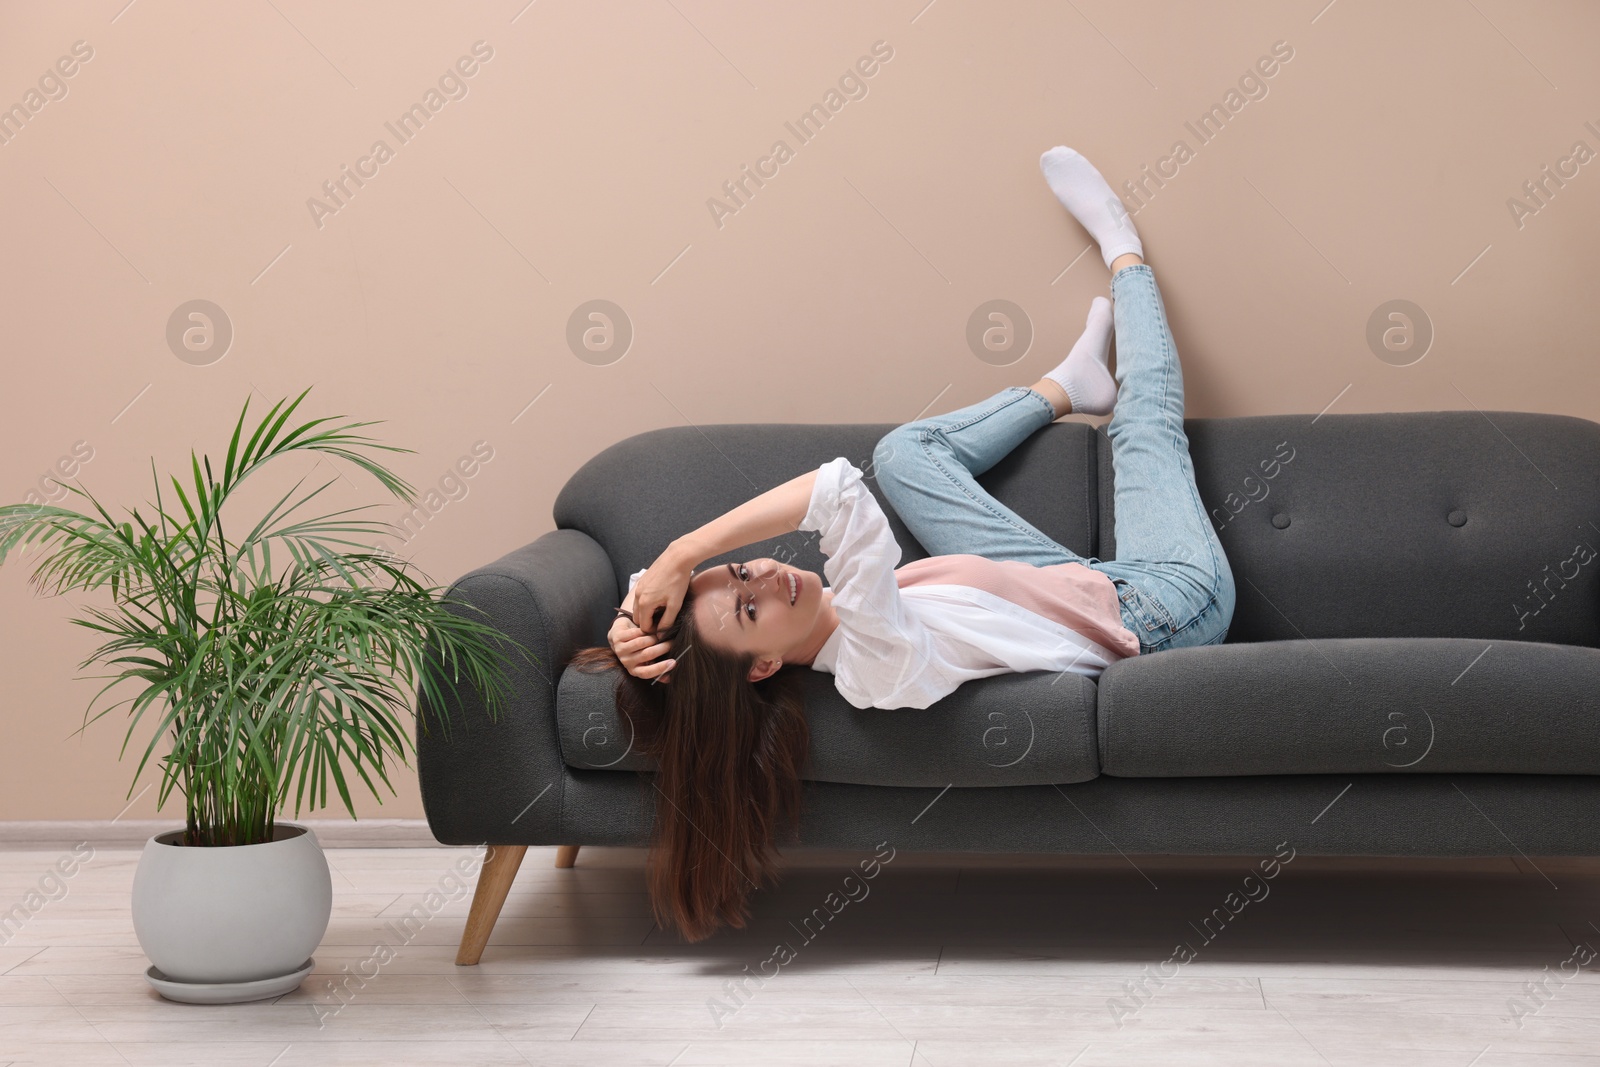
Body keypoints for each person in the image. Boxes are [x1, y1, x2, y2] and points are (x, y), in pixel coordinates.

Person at [568, 146, 1236, 942]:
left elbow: (699, 591)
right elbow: (836, 494)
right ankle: (1126, 251)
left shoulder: (839, 619)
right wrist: (684, 551)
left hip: (1057, 584)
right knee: (1144, 430)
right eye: (749, 607)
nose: (770, 578)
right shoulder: (873, 662)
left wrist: (634, 614)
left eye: (744, 569)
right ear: (764, 665)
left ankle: (1067, 384)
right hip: (1158, 609)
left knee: (906, 457)